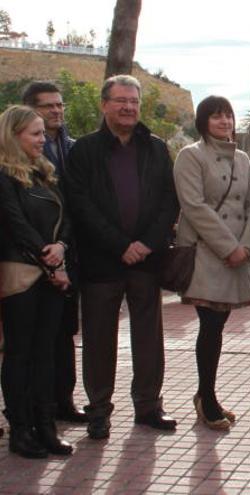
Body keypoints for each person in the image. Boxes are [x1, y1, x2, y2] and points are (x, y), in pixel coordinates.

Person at [65, 75, 180, 440]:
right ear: (104, 105)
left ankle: (148, 406)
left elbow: (168, 201)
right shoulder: (83, 151)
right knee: (99, 339)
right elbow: (80, 205)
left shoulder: (157, 148)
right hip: (102, 262)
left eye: (134, 101)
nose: (128, 107)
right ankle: (98, 410)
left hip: (147, 261)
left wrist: (146, 242)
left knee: (149, 337)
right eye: (120, 100)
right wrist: (120, 244)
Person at [173, 96, 250, 430]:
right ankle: (207, 399)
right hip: (206, 252)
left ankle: (206, 394)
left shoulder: (241, 157)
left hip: (238, 251)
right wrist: (229, 247)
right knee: (210, 325)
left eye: (228, 116)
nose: (224, 122)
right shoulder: (190, 156)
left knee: (218, 326)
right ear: (203, 121)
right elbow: (194, 206)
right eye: (216, 116)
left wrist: (248, 246)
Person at [0, 105, 74, 457]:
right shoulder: (3, 175)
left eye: (44, 134)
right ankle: (20, 430)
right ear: (14, 136)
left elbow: (66, 219)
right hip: (22, 276)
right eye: (35, 134)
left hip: (50, 275)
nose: (43, 140)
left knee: (46, 354)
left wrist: (61, 247)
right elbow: (15, 224)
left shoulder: (44, 173)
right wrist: (49, 259)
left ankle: (46, 427)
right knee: (19, 354)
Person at [22, 81, 88, 424]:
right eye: (49, 106)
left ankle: (63, 400)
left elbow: (74, 206)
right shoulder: (19, 157)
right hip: (32, 259)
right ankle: (31, 406)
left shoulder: (72, 149)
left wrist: (64, 246)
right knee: (32, 338)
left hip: (69, 253)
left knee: (64, 333)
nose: (57, 111)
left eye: (60, 105)